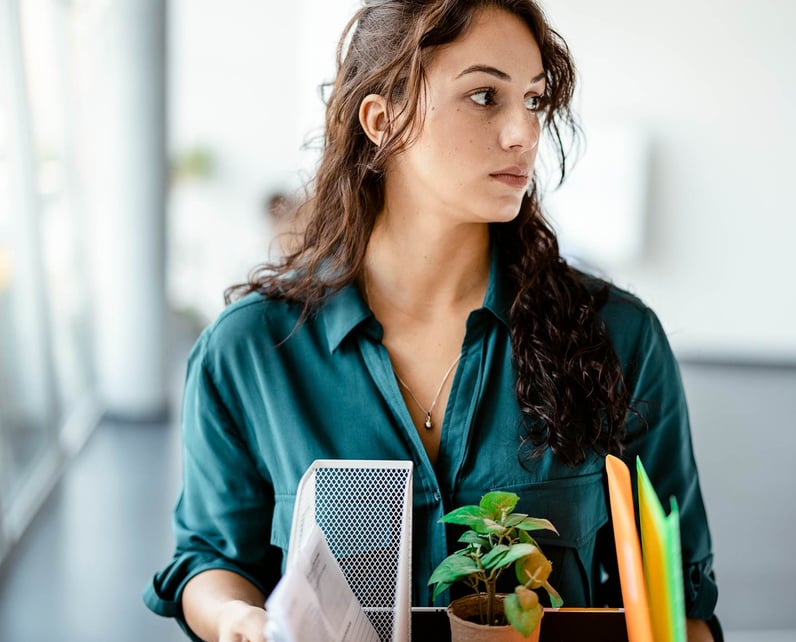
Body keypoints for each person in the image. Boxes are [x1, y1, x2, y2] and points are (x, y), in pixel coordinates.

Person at [143, 1, 722, 640]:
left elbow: (683, 603)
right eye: (483, 96)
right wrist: (235, 618)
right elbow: (211, 559)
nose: (524, 134)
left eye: (533, 101)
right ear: (382, 118)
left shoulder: (620, 338)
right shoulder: (249, 352)